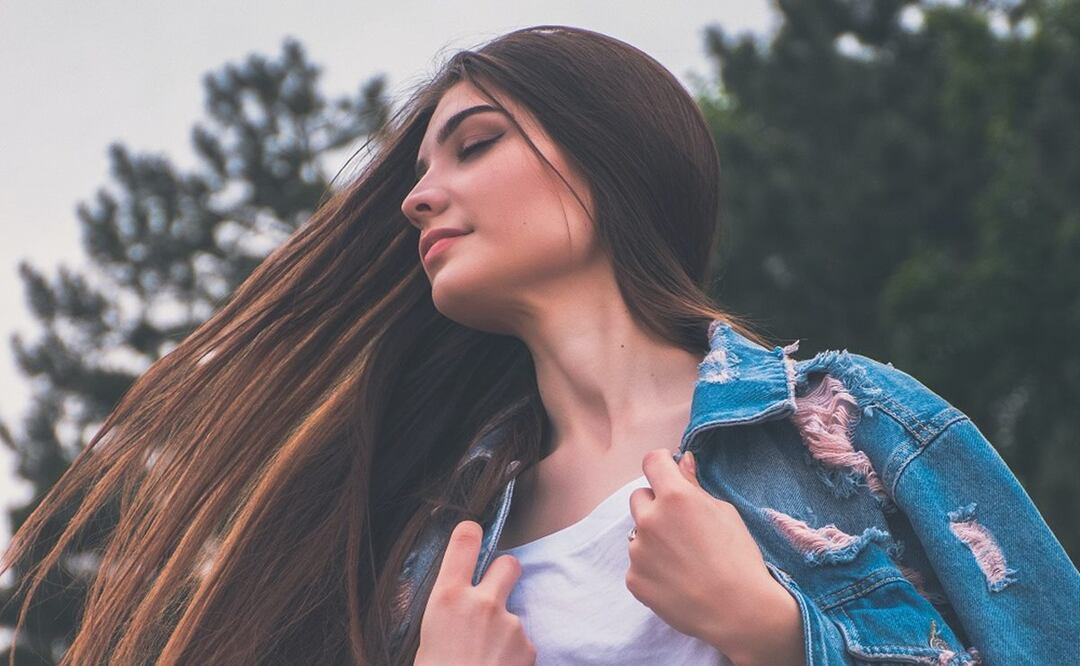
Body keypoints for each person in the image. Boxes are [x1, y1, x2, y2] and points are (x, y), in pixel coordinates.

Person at [3, 24, 1076, 666]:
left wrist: (778, 633)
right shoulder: (428, 554)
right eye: (422, 169)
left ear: (610, 164)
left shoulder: (852, 428)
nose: (422, 195)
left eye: (474, 145)